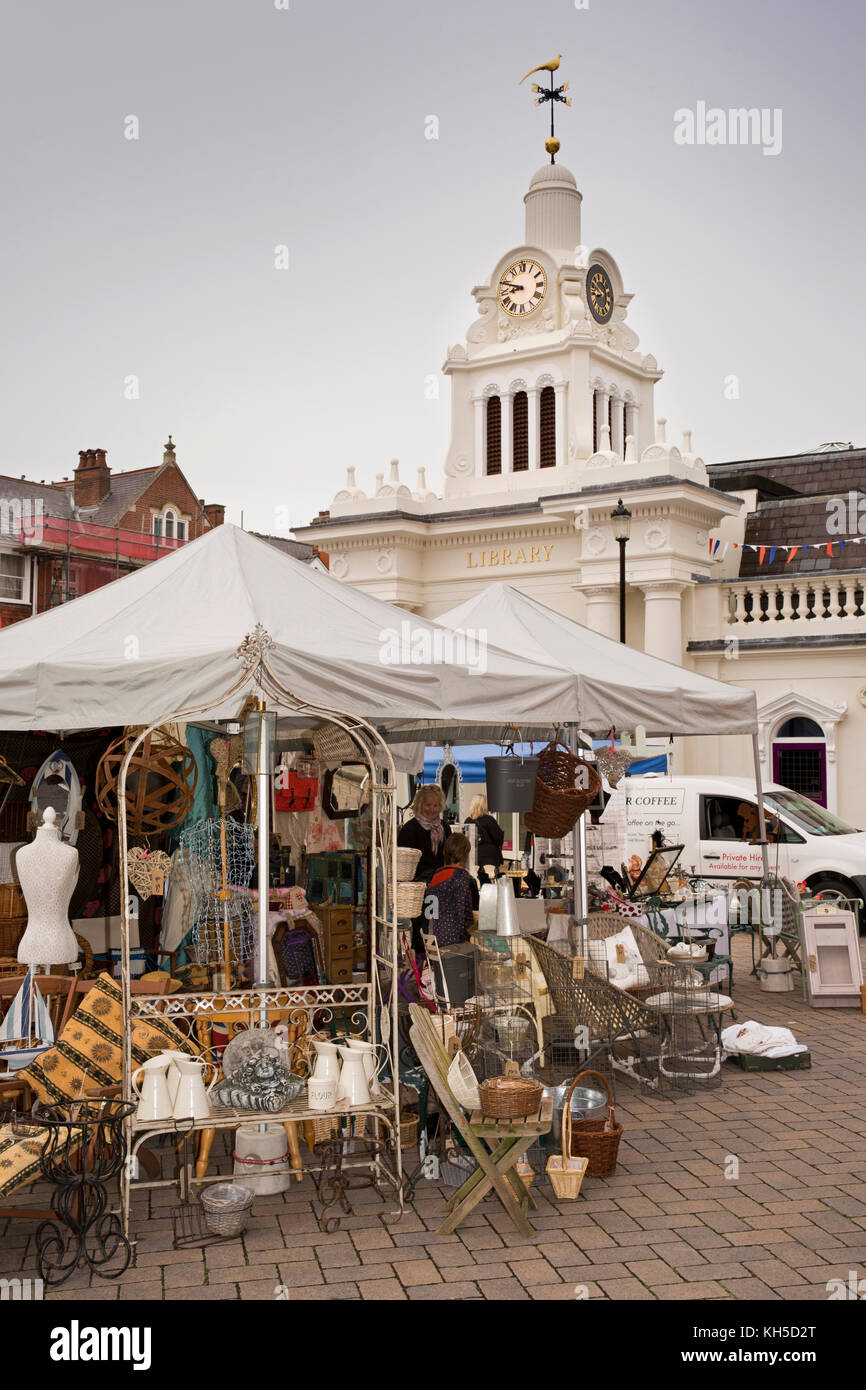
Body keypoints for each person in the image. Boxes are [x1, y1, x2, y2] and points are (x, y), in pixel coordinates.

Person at [398, 784, 447, 950]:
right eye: (428, 805)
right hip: (418, 888)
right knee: (421, 927)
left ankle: (437, 959)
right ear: (420, 805)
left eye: (435, 805)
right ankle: (421, 961)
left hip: (441, 885)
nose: (431, 809)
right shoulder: (410, 829)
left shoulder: (444, 828)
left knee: (440, 926)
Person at [425, 832, 480, 946]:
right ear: (466, 854)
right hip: (453, 944)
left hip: (432, 940)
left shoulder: (436, 875)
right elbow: (464, 914)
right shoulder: (462, 877)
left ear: (445, 852)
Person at [466, 793, 504, 884]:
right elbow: (498, 838)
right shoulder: (489, 820)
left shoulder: (468, 821)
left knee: (476, 880)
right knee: (491, 879)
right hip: (490, 857)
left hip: (473, 858)